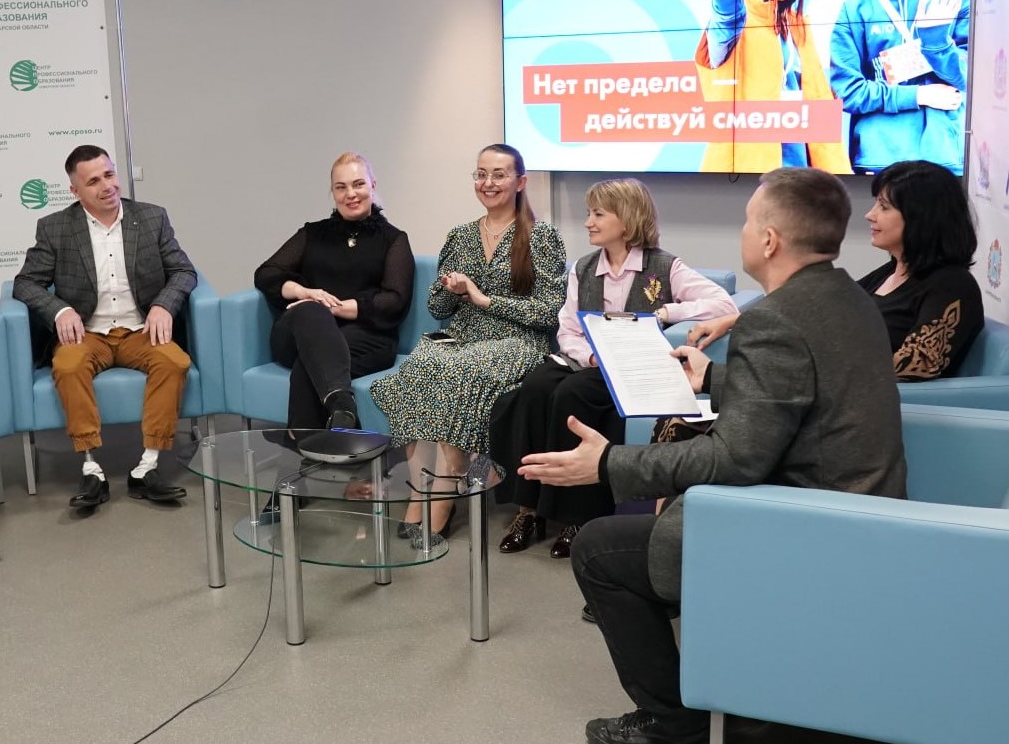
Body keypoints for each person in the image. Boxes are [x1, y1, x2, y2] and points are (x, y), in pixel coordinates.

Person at [519, 168, 907, 744]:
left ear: (769, 240)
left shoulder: (774, 320)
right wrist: (717, 378)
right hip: (862, 508)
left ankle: (675, 725)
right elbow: (804, 393)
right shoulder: (849, 297)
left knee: (600, 549)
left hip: (808, 524)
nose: (743, 232)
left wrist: (606, 464)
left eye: (748, 221)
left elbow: (735, 460)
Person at [489, 178, 736, 559]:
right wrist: (591, 357)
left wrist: (668, 312)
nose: (588, 222)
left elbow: (722, 304)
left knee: (573, 394)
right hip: (588, 359)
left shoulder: (664, 266)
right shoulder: (583, 268)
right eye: (589, 213)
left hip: (632, 368)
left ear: (627, 219)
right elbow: (567, 328)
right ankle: (529, 509)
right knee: (533, 389)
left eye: (598, 214)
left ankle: (578, 516)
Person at [370, 143, 567, 546]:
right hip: (463, 334)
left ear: (520, 182)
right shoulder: (460, 236)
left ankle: (445, 493)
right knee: (420, 364)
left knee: (459, 369)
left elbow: (549, 311)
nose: (488, 182)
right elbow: (436, 307)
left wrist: (485, 299)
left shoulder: (542, 237)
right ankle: (418, 493)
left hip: (517, 340)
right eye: (481, 174)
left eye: (499, 174)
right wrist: (452, 289)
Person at [14, 144, 195, 511]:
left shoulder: (152, 217)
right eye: (93, 181)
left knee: (174, 362)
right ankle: (91, 468)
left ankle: (147, 467)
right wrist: (60, 310)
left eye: (109, 175)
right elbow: (26, 283)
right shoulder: (55, 227)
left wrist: (163, 304)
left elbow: (183, 271)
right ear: (75, 191)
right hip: (88, 333)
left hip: (140, 331)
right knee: (68, 365)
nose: (107, 186)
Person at [689, 159, 984, 381]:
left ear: (921, 217)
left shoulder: (952, 285)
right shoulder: (891, 271)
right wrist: (734, 320)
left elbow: (914, 367)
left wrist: (799, 369)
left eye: (884, 207)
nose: (870, 215)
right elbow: (821, 309)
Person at [253, 153, 414, 430]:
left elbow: (393, 300)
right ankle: (343, 411)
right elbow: (265, 273)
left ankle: (309, 440)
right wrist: (304, 293)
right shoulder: (312, 233)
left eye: (358, 184)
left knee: (313, 360)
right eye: (341, 187)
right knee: (311, 315)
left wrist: (332, 307)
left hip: (366, 339)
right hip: (299, 332)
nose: (350, 194)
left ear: (373, 185)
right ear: (333, 191)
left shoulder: (393, 240)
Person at [830, 0, 968, 175]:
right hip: (878, 159)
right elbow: (847, 92)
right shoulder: (855, 7)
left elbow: (971, 79)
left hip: (942, 156)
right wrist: (919, 95)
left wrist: (936, 42)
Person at [696, 0, 851, 173]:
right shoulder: (741, 18)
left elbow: (816, 97)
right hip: (751, 167)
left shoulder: (797, 24)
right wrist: (726, 4)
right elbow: (721, 38)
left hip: (798, 164)